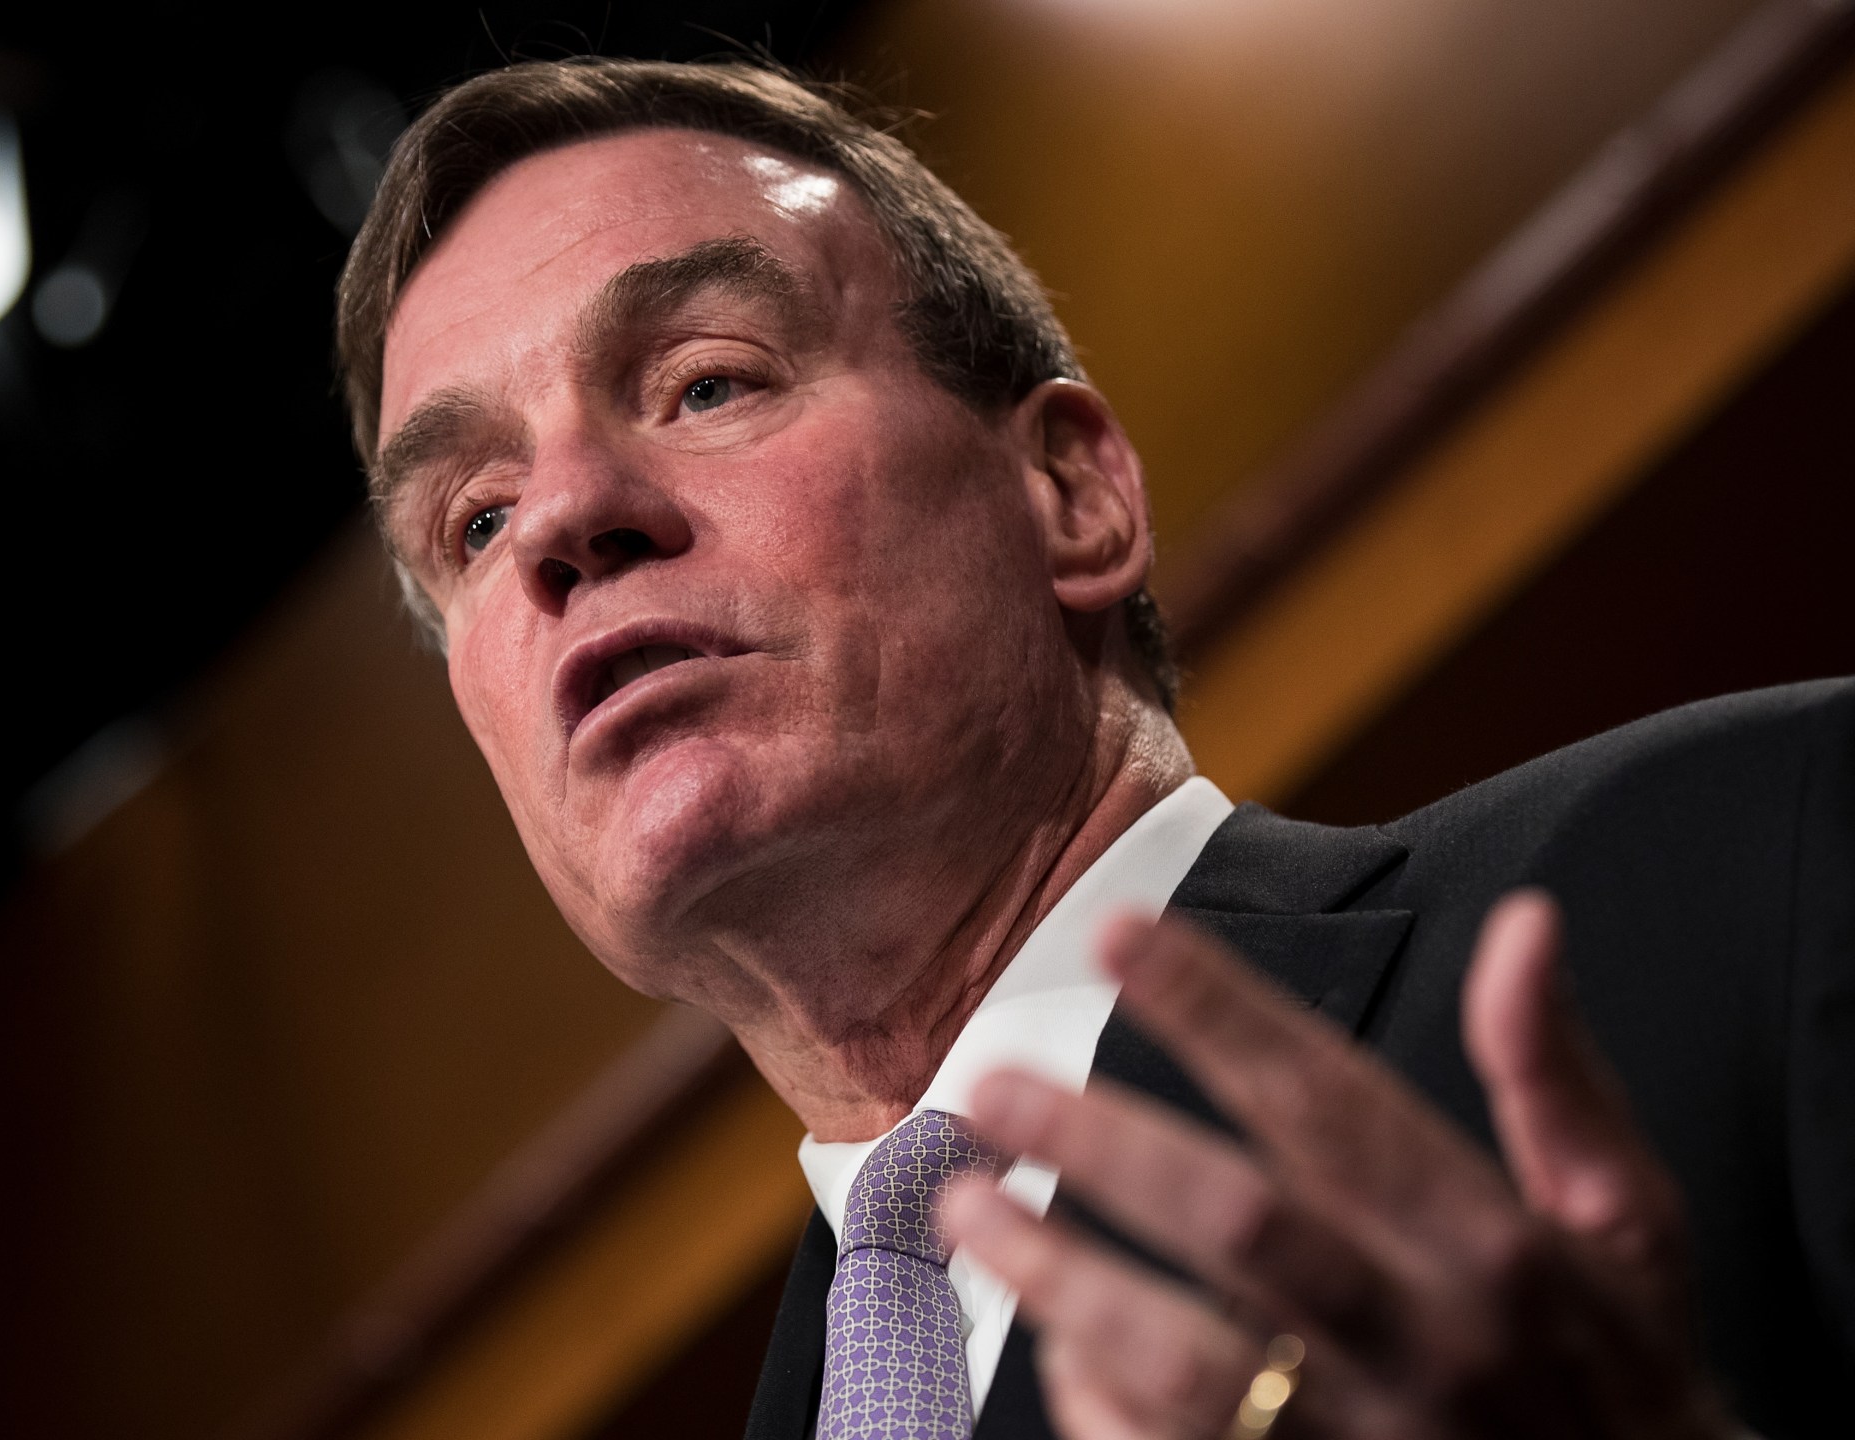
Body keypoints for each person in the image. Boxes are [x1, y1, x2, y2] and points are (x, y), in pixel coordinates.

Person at [332, 58, 1852, 1440]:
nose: (561, 524)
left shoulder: (1767, 852)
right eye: (471, 519)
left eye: (707, 381)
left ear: (1072, 493)